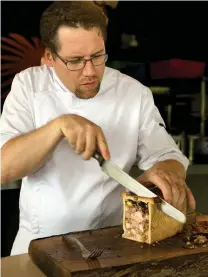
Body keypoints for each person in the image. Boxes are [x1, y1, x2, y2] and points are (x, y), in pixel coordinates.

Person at [1, 1, 195, 256]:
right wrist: (59, 125)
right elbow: (4, 168)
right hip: (39, 245)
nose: (90, 71)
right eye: (75, 61)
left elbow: (167, 154)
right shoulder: (29, 85)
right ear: (49, 57)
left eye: (97, 56)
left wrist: (167, 174)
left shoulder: (133, 92)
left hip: (113, 244)